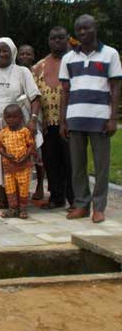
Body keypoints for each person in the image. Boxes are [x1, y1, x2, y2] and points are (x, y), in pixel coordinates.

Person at [60, 14, 121, 223]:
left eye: (87, 28)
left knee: (101, 165)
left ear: (96, 28)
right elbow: (64, 91)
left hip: (100, 118)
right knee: (77, 165)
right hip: (75, 117)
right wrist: (63, 121)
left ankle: (99, 207)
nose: (83, 32)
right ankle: (82, 205)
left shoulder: (110, 54)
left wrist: (113, 117)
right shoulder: (68, 58)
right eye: (79, 29)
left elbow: (115, 87)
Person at [0, 37, 42, 209]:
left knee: (16, 160)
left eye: (5, 50)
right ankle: (2, 197)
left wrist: (33, 120)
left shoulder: (22, 72)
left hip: (16, 127)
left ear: (12, 52)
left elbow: (35, 97)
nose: (1, 54)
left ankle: (18, 199)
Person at [33, 27, 75, 210]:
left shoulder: (75, 62)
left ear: (68, 39)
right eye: (53, 38)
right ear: (48, 41)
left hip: (71, 123)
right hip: (47, 123)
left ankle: (75, 199)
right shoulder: (39, 66)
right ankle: (57, 197)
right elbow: (33, 95)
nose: (57, 41)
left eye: (61, 38)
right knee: (51, 161)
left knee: (71, 162)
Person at [17, 44, 46, 201]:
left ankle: (40, 185)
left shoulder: (38, 73)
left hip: (35, 116)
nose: (25, 57)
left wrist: (37, 119)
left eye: (28, 54)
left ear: (33, 56)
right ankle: (21, 187)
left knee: (37, 152)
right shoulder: (15, 72)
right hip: (18, 117)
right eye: (22, 54)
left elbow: (41, 96)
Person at [0, 104, 36, 219]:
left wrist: (25, 157)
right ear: (4, 118)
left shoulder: (25, 132)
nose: (11, 119)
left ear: (21, 117)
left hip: (23, 166)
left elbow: (31, 146)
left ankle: (23, 208)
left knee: (23, 187)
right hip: (9, 167)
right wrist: (6, 155)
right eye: (8, 117)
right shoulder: (3, 133)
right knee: (10, 188)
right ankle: (12, 208)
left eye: (15, 117)